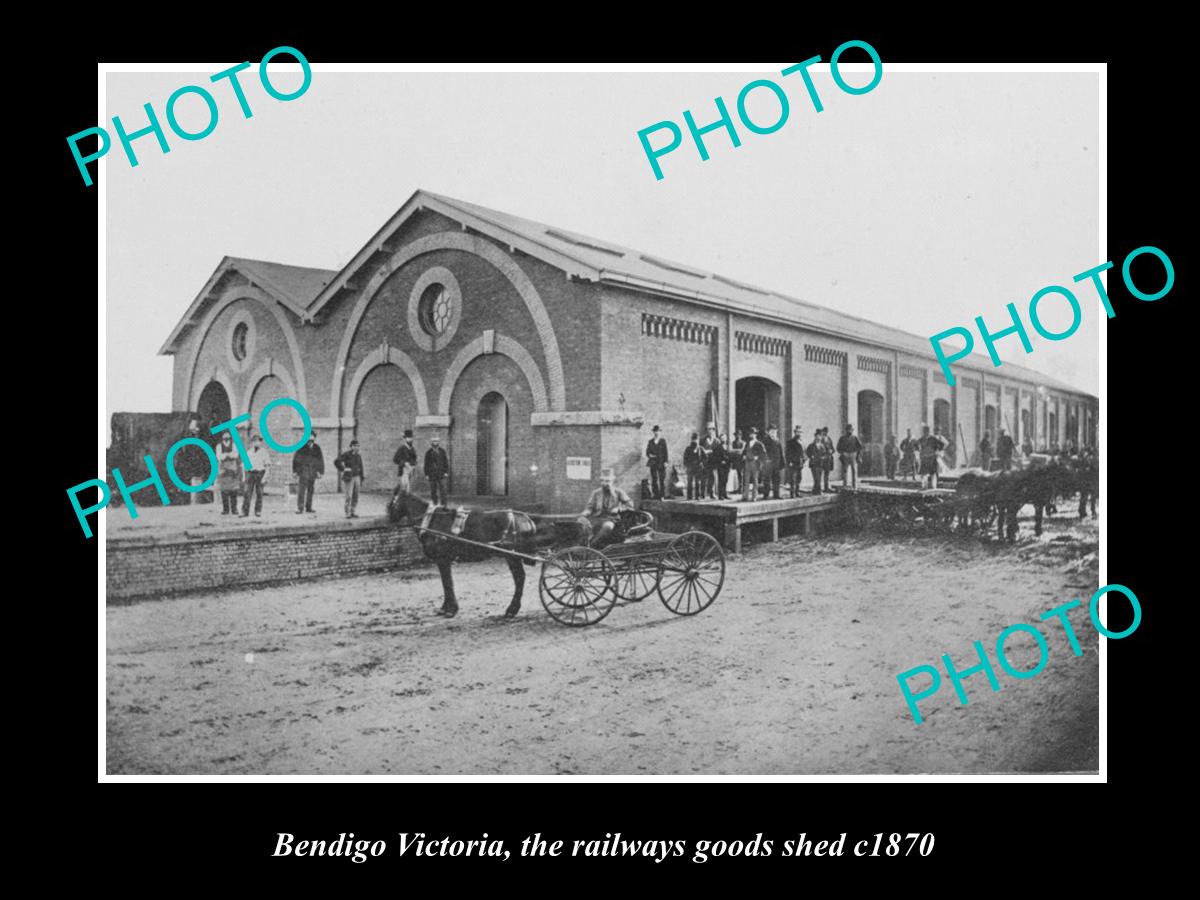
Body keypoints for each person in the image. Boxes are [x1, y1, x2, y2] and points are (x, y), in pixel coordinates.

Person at [582, 470, 634, 548]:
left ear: (612, 481)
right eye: (602, 481)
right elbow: (589, 507)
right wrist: (586, 512)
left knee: (608, 526)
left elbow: (630, 505)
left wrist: (619, 509)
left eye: (607, 481)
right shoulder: (596, 493)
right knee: (582, 524)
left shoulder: (618, 492)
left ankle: (592, 546)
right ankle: (583, 545)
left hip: (613, 519)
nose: (605, 483)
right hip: (597, 518)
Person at [293, 431, 325, 514]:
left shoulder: (317, 448)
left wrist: (320, 472)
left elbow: (320, 460)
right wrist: (295, 471)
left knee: (311, 490)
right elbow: (295, 460)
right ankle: (300, 508)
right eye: (308, 437)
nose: (310, 439)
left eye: (312, 437)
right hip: (303, 471)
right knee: (301, 490)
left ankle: (309, 507)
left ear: (314, 438)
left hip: (312, 472)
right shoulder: (301, 447)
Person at [334, 439, 366, 518]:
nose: (356, 448)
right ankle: (347, 512)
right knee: (349, 496)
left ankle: (353, 511)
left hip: (357, 477)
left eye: (358, 446)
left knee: (356, 495)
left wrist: (361, 477)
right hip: (349, 477)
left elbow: (361, 467)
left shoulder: (358, 456)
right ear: (351, 446)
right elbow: (337, 461)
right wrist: (343, 469)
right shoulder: (347, 454)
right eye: (354, 446)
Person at [240, 433, 269, 517]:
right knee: (247, 493)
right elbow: (244, 466)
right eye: (256, 441)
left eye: (259, 441)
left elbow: (267, 466)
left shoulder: (264, 452)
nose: (257, 443)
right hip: (250, 474)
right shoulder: (249, 452)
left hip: (260, 473)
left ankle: (258, 511)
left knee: (259, 493)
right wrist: (243, 476)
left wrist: (265, 477)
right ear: (252, 443)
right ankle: (245, 511)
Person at [215, 431, 243, 515]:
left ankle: (234, 509)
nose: (226, 438)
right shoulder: (219, 446)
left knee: (233, 490)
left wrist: (227, 455)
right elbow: (219, 456)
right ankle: (226, 509)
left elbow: (235, 455)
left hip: (232, 467)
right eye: (225, 436)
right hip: (223, 468)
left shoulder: (234, 445)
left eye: (228, 436)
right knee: (224, 490)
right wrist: (227, 455)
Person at [918, 425, 947, 489]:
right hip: (925, 458)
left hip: (932, 458)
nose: (926, 432)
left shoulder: (933, 439)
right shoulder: (921, 439)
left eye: (927, 431)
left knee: (933, 473)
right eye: (924, 431)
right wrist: (920, 451)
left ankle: (934, 487)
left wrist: (937, 451)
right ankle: (924, 487)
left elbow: (942, 444)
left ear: (929, 431)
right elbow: (916, 446)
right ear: (923, 432)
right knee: (923, 474)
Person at [424, 436, 450, 506]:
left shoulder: (442, 451)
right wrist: (426, 474)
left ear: (438, 442)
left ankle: (444, 505)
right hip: (432, 474)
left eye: (436, 441)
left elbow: (446, 462)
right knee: (433, 490)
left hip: (441, 473)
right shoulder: (428, 452)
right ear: (431, 442)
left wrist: (446, 472)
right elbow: (426, 464)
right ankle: (434, 504)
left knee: (443, 490)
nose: (435, 443)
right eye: (434, 441)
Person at [837, 424, 864, 489]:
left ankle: (854, 485)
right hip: (845, 455)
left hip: (853, 455)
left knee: (854, 470)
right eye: (849, 429)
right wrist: (843, 453)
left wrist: (858, 455)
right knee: (845, 470)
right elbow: (838, 447)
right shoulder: (842, 438)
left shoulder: (855, 438)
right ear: (846, 430)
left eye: (851, 430)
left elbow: (860, 447)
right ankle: (845, 485)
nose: (850, 431)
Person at [645, 425, 669, 500]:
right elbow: (647, 452)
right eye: (655, 431)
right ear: (653, 432)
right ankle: (656, 495)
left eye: (658, 431)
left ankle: (662, 495)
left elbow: (666, 452)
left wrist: (666, 461)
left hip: (661, 462)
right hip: (653, 463)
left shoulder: (663, 441)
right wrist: (650, 455)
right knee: (654, 479)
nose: (657, 433)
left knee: (662, 479)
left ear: (660, 432)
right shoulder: (651, 442)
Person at [743, 428, 766, 502]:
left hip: (755, 463)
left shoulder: (759, 444)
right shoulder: (747, 443)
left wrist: (758, 457)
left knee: (755, 480)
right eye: (751, 434)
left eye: (753, 433)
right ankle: (745, 496)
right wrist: (743, 456)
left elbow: (763, 453)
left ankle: (754, 496)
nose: (752, 435)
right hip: (747, 463)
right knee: (746, 479)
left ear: (756, 435)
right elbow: (744, 451)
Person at [762, 425, 784, 499]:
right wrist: (766, 460)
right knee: (767, 479)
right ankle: (766, 494)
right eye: (771, 432)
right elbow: (763, 452)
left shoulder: (777, 441)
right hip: (768, 464)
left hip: (776, 464)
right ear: (768, 432)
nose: (773, 433)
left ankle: (776, 494)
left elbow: (781, 453)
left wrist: (782, 462)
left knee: (776, 479)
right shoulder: (765, 441)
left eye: (774, 432)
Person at [393, 429, 418, 493]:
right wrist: (404, 463)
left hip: (411, 470)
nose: (410, 439)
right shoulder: (401, 448)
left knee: (409, 488)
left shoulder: (412, 449)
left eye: (411, 438)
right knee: (404, 487)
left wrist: (413, 465)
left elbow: (415, 459)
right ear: (405, 439)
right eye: (408, 438)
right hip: (403, 471)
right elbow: (395, 459)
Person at [786, 425, 808, 497]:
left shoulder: (803, 442)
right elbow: (787, 453)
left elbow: (805, 452)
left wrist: (804, 460)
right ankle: (792, 493)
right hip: (793, 463)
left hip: (800, 463)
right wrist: (790, 462)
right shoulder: (790, 442)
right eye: (798, 432)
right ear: (795, 432)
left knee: (799, 478)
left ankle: (797, 492)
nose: (799, 434)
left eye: (800, 432)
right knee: (793, 479)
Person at [699, 426, 719, 499]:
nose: (710, 431)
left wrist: (710, 451)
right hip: (705, 462)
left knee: (712, 478)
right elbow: (700, 450)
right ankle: (702, 494)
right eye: (709, 430)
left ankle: (711, 493)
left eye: (712, 430)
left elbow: (718, 451)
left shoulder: (716, 441)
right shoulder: (702, 440)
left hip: (712, 462)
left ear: (714, 431)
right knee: (703, 478)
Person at [683, 432, 703, 500]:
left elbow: (705, 457)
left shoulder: (700, 449)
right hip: (690, 467)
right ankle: (689, 496)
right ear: (691, 440)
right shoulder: (688, 449)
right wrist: (687, 465)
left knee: (698, 482)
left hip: (698, 468)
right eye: (694, 439)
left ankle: (698, 496)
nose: (695, 441)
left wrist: (702, 463)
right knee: (689, 482)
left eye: (696, 439)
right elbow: (685, 458)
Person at [729, 430, 746, 495]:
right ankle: (736, 488)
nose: (737, 436)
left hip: (741, 461)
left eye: (739, 435)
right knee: (735, 475)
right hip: (735, 460)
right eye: (736, 435)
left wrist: (736, 451)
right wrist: (737, 451)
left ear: (741, 435)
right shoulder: (733, 443)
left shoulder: (743, 443)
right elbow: (731, 450)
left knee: (741, 475)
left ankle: (741, 489)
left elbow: (742, 450)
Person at [716, 432, 732, 500]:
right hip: (721, 465)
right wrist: (720, 461)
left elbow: (730, 455)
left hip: (727, 465)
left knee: (726, 479)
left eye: (724, 438)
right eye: (722, 438)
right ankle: (720, 495)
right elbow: (716, 456)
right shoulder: (718, 447)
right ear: (720, 439)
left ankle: (725, 493)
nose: (723, 439)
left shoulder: (728, 446)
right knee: (721, 479)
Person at [819, 427, 835, 491]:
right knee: (819, 474)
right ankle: (819, 487)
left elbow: (833, 449)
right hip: (822, 459)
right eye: (824, 432)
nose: (825, 433)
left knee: (827, 474)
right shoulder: (820, 439)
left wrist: (831, 451)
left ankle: (826, 487)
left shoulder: (829, 439)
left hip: (828, 459)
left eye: (826, 432)